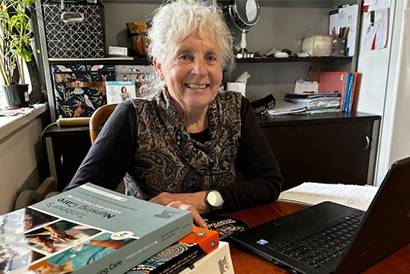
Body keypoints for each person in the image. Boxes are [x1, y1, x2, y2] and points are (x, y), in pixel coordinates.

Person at [68, 0, 282, 228]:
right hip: (154, 241)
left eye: (210, 57)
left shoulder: (236, 109)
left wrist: (203, 201)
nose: (200, 71)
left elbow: (269, 183)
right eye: (184, 56)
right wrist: (148, 212)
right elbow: (75, 203)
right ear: (159, 67)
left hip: (226, 239)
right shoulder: (134, 117)